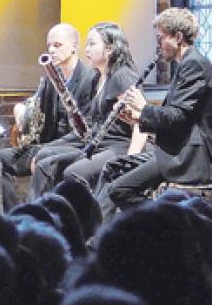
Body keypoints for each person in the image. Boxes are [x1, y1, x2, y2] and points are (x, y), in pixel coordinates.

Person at [97, 7, 212, 220]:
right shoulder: (185, 65)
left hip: (188, 156)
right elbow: (177, 118)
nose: (158, 43)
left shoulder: (195, 65)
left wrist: (143, 107)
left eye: (162, 37)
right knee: (113, 169)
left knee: (121, 190)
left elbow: (177, 116)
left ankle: (172, 224)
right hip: (175, 149)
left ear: (178, 37)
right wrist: (138, 118)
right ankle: (100, 233)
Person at [28, 22, 147, 198]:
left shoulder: (122, 76)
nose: (86, 50)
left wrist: (131, 158)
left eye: (92, 44)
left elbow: (141, 121)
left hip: (119, 145)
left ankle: (81, 213)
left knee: (73, 172)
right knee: (45, 164)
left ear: (109, 49)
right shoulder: (95, 77)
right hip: (97, 143)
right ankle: (41, 211)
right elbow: (88, 124)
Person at [0, 23, 93, 210]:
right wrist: (20, 109)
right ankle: (12, 215)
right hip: (47, 145)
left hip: (74, 146)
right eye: (49, 46)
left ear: (74, 46)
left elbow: (85, 133)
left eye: (57, 45)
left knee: (43, 156)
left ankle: (33, 214)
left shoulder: (88, 79)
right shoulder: (52, 77)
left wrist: (46, 149)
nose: (51, 50)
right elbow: (35, 104)